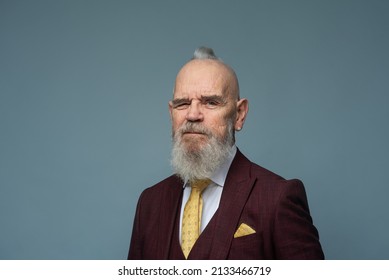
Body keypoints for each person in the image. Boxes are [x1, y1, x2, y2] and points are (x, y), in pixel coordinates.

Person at [128, 47, 324, 260]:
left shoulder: (277, 198)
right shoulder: (150, 202)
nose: (192, 115)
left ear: (239, 114)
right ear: (171, 112)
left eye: (211, 102)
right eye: (182, 104)